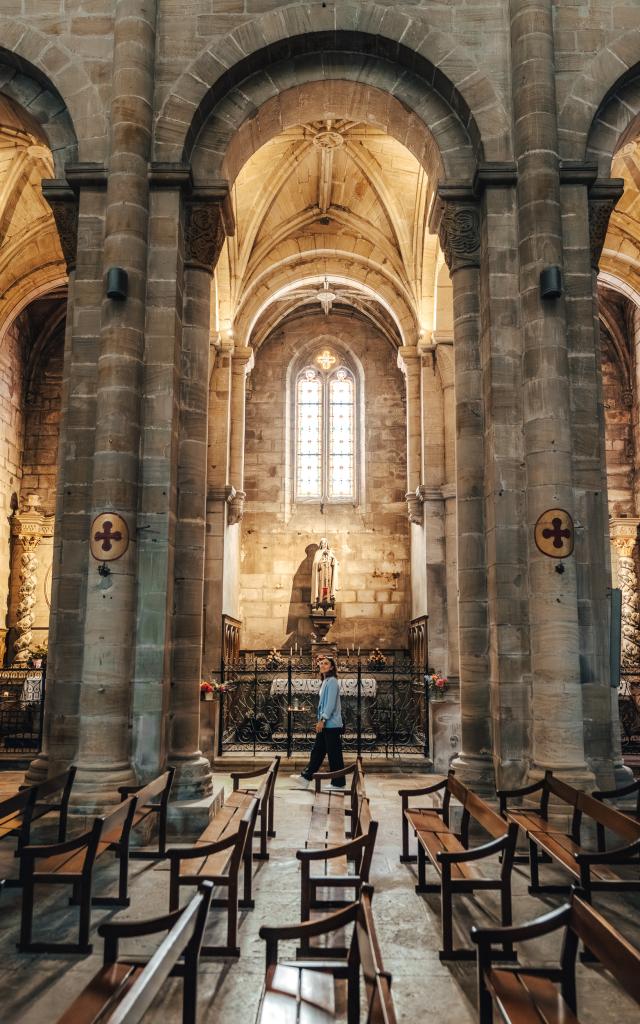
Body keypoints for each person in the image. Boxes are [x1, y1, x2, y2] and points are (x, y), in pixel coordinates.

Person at [291, 655, 345, 790]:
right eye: (321, 663)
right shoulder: (326, 681)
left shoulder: (332, 681)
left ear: (332, 667)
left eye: (326, 663)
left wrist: (322, 719)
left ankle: (338, 783)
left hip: (331, 724)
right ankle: (306, 777)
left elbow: (330, 704)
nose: (323, 665)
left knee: (334, 754)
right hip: (327, 724)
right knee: (318, 751)